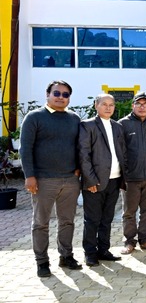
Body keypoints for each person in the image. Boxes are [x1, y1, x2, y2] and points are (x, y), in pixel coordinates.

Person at [20, 80, 83, 278]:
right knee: (41, 222)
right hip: (43, 180)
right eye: (56, 93)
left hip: (70, 180)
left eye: (65, 94)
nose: (60, 97)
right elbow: (25, 149)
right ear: (47, 94)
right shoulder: (34, 117)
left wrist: (78, 168)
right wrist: (29, 176)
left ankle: (66, 256)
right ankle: (42, 262)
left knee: (67, 221)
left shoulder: (74, 118)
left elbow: (79, 146)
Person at [78, 93, 126, 267]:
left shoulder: (117, 126)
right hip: (95, 182)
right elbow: (84, 155)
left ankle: (103, 250)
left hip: (114, 180)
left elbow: (122, 152)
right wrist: (89, 180)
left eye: (111, 104)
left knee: (107, 219)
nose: (108, 107)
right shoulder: (88, 125)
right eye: (104, 104)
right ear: (96, 105)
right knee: (92, 219)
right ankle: (90, 253)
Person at [119, 92, 146, 254]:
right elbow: (119, 150)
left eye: (145, 104)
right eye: (138, 104)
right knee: (129, 212)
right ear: (133, 105)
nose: (142, 107)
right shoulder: (123, 124)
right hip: (130, 177)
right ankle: (129, 241)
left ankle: (145, 239)